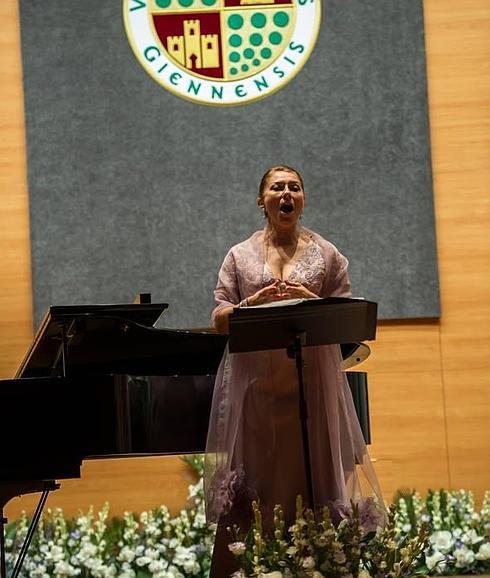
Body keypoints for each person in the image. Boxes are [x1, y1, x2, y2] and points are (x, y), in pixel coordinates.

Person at [204, 166, 384, 577]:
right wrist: (252, 302)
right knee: (260, 482)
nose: (287, 193)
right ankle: (255, 568)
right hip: (257, 392)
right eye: (277, 187)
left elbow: (349, 319)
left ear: (302, 198)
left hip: (313, 388)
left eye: (294, 187)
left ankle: (320, 565)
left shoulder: (327, 253)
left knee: (314, 476)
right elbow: (218, 318)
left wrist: (311, 301)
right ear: (261, 200)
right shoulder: (239, 255)